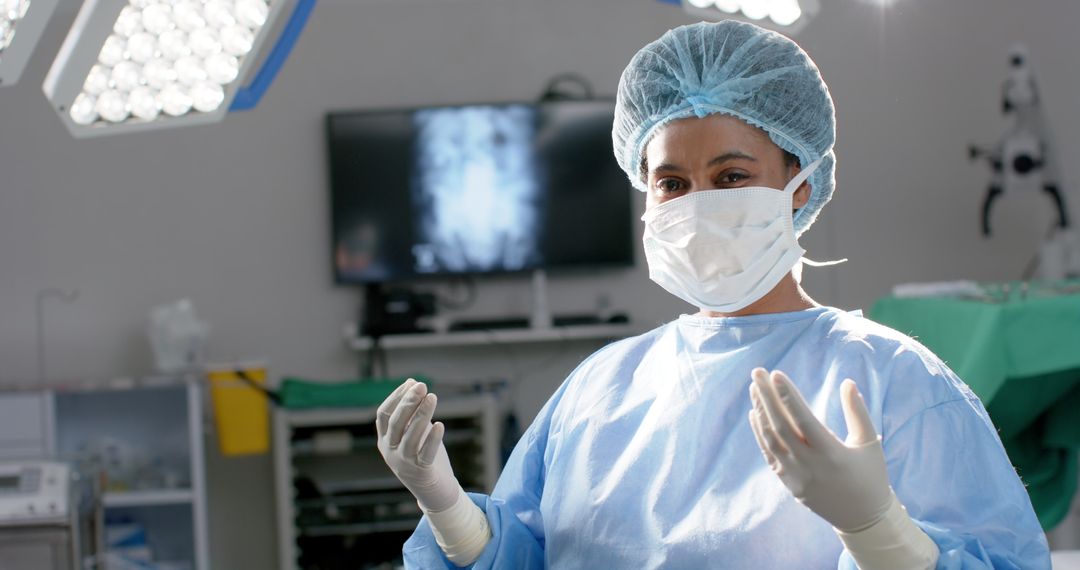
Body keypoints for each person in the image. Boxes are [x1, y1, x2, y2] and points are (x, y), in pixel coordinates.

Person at [375, 20, 1051, 569]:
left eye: (731, 177)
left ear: (801, 185)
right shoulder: (597, 390)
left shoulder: (892, 382)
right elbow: (530, 555)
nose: (697, 205)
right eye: (671, 182)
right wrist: (448, 510)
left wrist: (879, 532)